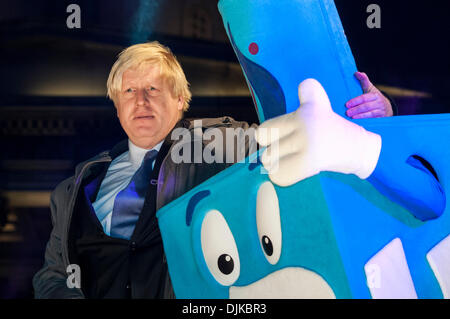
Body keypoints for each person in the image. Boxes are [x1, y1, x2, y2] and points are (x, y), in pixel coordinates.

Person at [32, 41, 444, 299]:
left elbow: (294, 133)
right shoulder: (77, 187)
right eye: (129, 91)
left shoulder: (213, 143)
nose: (140, 100)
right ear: (116, 104)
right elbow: (52, 276)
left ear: (180, 102)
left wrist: (378, 119)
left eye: (154, 89)